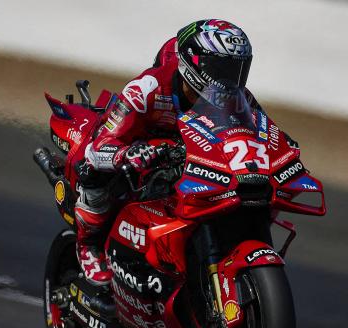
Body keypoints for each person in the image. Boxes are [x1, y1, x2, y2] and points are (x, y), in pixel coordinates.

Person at [75, 19, 297, 286]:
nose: (230, 79)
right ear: (194, 63)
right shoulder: (147, 89)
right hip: (141, 151)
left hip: (188, 158)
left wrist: (283, 147)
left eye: (237, 69)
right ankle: (88, 245)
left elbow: (260, 131)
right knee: (92, 171)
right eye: (221, 68)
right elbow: (98, 147)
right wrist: (129, 154)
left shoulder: (237, 97)